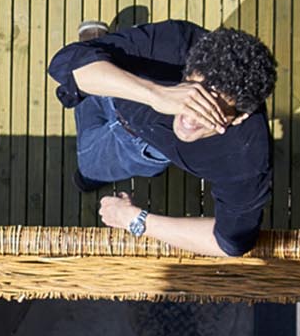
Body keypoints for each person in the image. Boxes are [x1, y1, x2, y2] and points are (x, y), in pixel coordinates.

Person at [47, 16, 277, 258]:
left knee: (91, 161)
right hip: (123, 85)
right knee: (91, 69)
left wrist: (135, 219)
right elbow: (65, 63)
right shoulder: (178, 42)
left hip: (136, 143)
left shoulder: (246, 160)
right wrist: (156, 94)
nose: (190, 117)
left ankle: (90, 173)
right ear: (188, 70)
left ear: (239, 118)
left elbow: (230, 243)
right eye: (193, 93)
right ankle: (99, 49)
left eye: (213, 112)